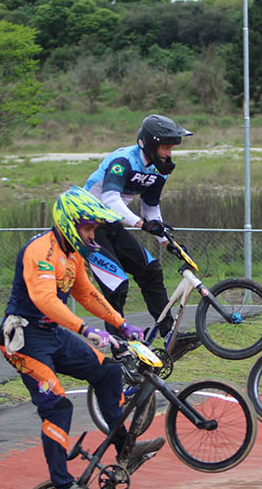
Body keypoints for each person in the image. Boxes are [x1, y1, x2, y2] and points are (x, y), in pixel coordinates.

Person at [0, 185, 165, 489]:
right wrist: (87, 330)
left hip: (52, 336)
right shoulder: (41, 252)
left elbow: (87, 294)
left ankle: (124, 447)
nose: (92, 234)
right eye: (87, 227)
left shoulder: (73, 256)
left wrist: (120, 323)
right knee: (58, 407)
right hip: (23, 341)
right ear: (68, 223)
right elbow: (45, 300)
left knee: (107, 372)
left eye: (94, 228)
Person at [82, 114, 199, 356]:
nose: (169, 154)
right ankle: (119, 347)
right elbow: (110, 199)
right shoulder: (123, 160)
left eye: (171, 148)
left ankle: (169, 336)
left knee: (151, 270)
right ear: (149, 144)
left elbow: (150, 209)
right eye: (165, 147)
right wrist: (141, 224)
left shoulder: (159, 171)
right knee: (116, 283)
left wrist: (168, 242)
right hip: (86, 226)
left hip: (112, 223)